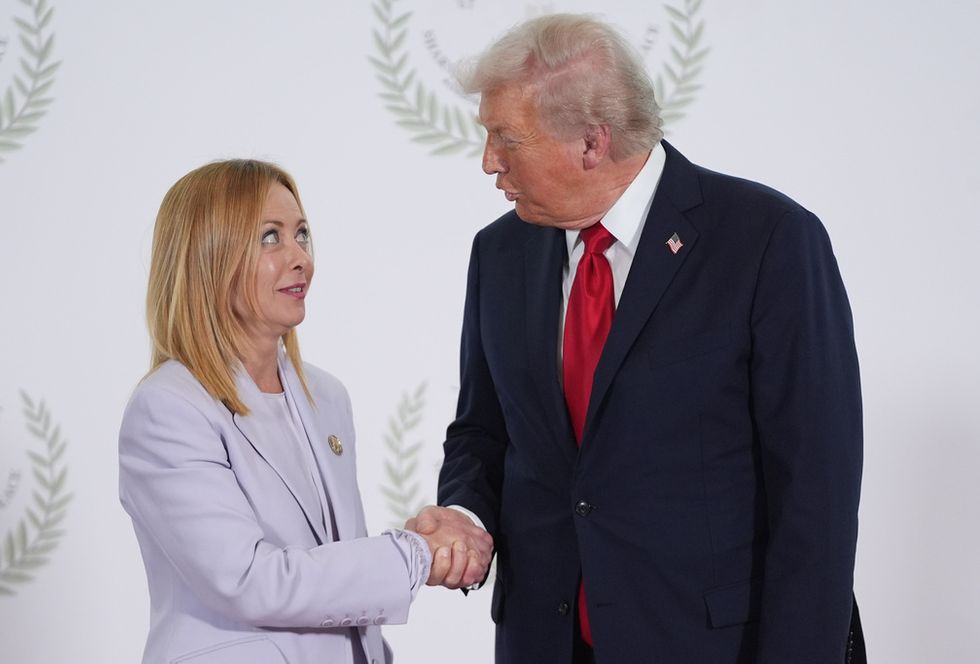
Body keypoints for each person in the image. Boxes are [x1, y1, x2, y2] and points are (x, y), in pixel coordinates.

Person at [408, 13, 866, 664]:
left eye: (505, 139)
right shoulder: (499, 254)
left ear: (592, 143)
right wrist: (469, 519)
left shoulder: (768, 241)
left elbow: (814, 498)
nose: (488, 163)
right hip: (546, 642)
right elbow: (483, 432)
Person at [118, 159, 491, 664]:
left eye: (302, 234)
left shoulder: (325, 395)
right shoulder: (168, 409)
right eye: (270, 237)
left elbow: (333, 574)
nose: (300, 258)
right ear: (209, 256)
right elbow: (250, 580)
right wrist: (417, 554)